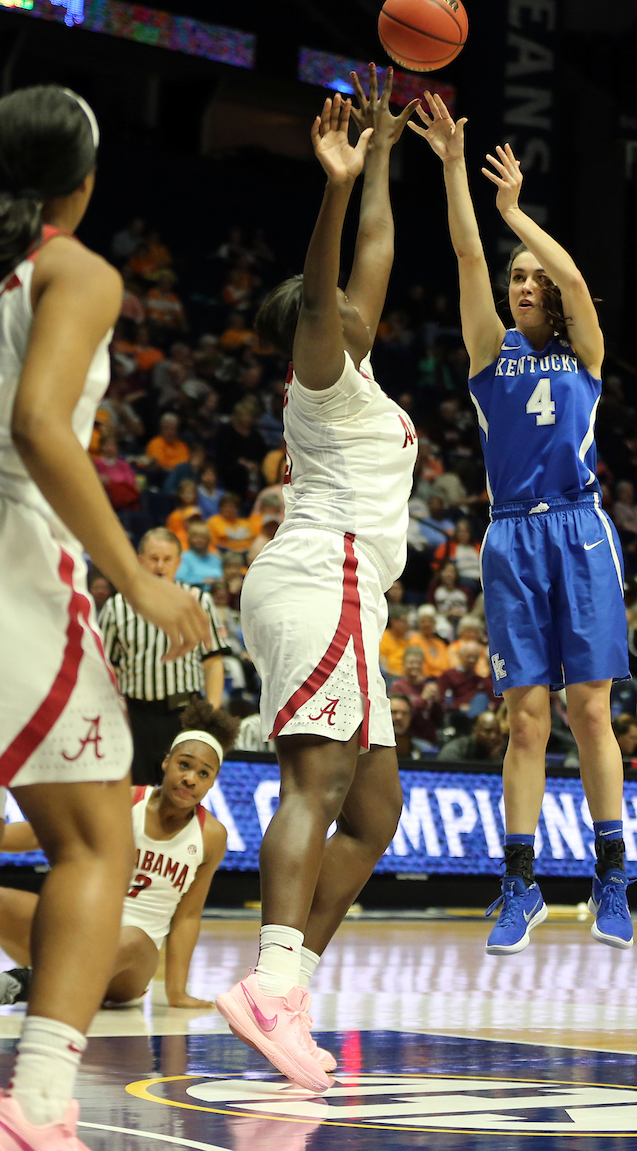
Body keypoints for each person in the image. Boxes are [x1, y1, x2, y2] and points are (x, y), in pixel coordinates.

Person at [0, 85, 208, 1150]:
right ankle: (38, 1104)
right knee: (92, 849)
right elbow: (39, 424)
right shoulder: (72, 267)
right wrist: (136, 579)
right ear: (78, 187)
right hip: (15, 565)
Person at [214, 75, 420, 1091]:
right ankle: (270, 981)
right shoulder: (322, 376)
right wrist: (333, 189)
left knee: (376, 807)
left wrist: (382, 153)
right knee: (319, 782)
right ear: (318, 324)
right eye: (337, 303)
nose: (355, 300)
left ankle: (285, 988)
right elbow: (339, 263)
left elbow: (375, 257)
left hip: (345, 590)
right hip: (322, 576)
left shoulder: (360, 370)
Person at [412, 94, 631, 955]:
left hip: (579, 530)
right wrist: (457, 173)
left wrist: (518, 215)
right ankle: (520, 885)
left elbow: (575, 280)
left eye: (531, 276)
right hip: (511, 536)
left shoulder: (585, 352)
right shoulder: (487, 353)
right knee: (527, 720)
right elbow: (468, 254)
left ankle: (610, 879)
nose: (526, 282)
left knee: (589, 710)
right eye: (518, 278)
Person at [0, 699, 235, 1009]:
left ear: (212, 783)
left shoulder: (212, 836)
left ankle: (21, 984)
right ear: (166, 763)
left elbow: (188, 916)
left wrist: (177, 992)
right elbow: (39, 833)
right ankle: (41, 977)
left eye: (204, 774)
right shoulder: (126, 800)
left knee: (133, 938)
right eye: (184, 764)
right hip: (78, 934)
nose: (191, 778)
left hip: (129, 967)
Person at [100, 528, 229, 784]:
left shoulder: (198, 601)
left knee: (181, 794)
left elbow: (213, 664)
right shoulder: (117, 606)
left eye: (167, 559)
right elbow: (105, 668)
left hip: (184, 714)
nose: (160, 565)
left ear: (178, 563)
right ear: (140, 560)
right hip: (134, 716)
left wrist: (208, 718)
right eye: (153, 558)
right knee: (134, 795)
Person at [390, 646, 443, 743]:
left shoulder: (427, 687)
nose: (415, 666)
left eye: (418, 663)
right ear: (404, 665)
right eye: (411, 663)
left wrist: (436, 701)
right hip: (408, 738)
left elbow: (438, 719)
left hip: (429, 736)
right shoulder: (398, 687)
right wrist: (423, 699)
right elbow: (404, 716)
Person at [438, 711, 506, 763]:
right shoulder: (454, 750)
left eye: (498, 732)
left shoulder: (501, 751)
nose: (493, 736)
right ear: (475, 731)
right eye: (488, 731)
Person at [175, 521, 224, 588]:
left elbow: (221, 578)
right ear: (189, 539)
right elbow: (179, 579)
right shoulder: (184, 557)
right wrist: (202, 581)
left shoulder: (215, 558)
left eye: (203, 537)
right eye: (196, 537)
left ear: (208, 539)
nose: (199, 540)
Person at [406, 604, 451, 677]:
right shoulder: (414, 641)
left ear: (434, 623)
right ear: (419, 624)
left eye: (429, 621)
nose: (426, 624)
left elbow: (446, 665)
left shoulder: (440, 643)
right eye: (423, 622)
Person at [390, 693, 436, 760]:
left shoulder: (424, 749)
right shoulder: (371, 749)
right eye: (393, 712)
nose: (399, 717)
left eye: (404, 713)